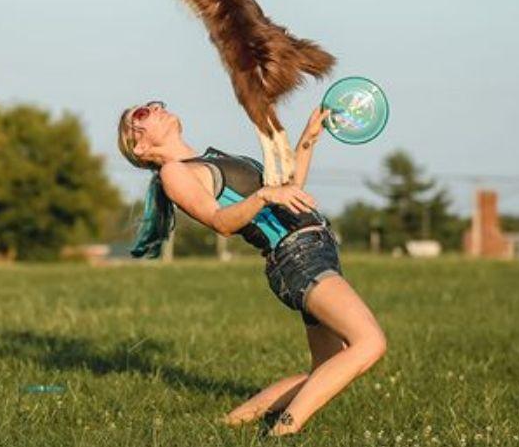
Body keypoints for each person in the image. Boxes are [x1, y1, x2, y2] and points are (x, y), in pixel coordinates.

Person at [117, 100, 387, 436]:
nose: (155, 107)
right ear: (140, 147)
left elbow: (290, 194)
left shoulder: (210, 159)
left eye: (155, 104)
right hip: (297, 256)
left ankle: (230, 425)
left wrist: (308, 139)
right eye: (142, 113)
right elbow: (221, 222)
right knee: (370, 343)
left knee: (325, 369)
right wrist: (263, 197)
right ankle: (283, 432)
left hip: (313, 249)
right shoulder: (175, 172)